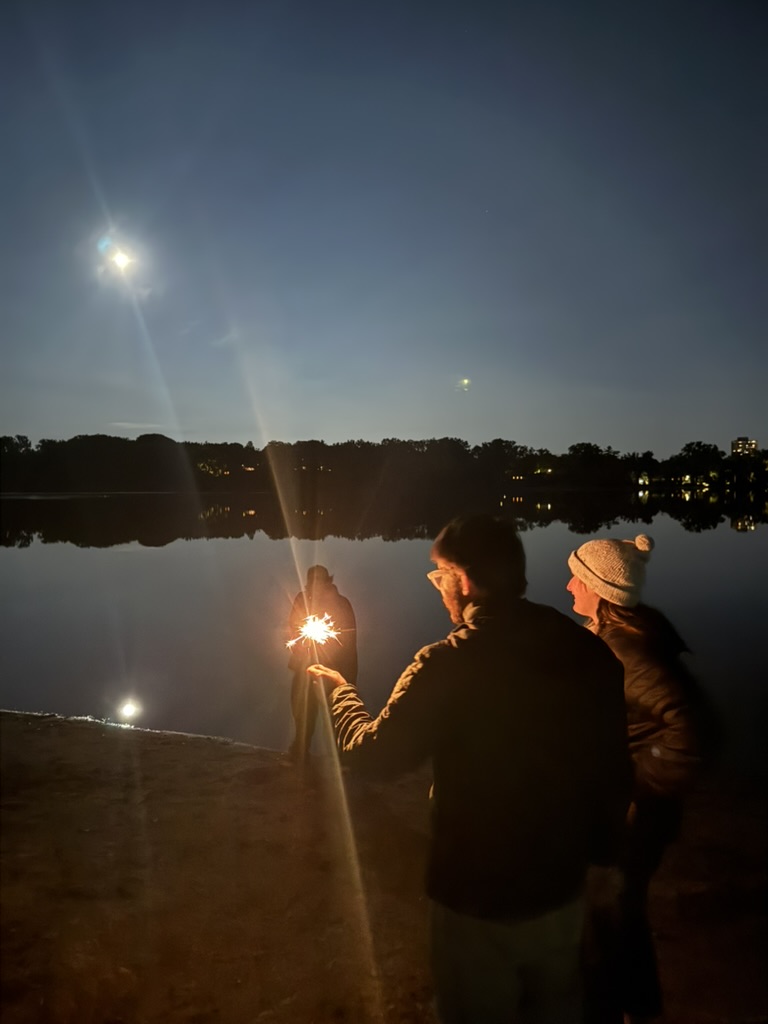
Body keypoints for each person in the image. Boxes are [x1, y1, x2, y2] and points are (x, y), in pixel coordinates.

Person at [308, 515, 631, 1024]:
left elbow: (374, 756)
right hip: (561, 884)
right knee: (558, 1006)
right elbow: (613, 765)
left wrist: (337, 690)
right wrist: (605, 860)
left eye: (439, 578)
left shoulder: (445, 663)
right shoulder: (587, 650)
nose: (439, 590)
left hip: (474, 894)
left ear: (462, 580)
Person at [566, 534, 707, 1024]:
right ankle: (641, 1009)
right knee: (621, 915)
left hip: (635, 815)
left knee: (604, 918)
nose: (568, 586)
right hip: (634, 812)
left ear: (600, 589)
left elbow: (689, 729)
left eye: (577, 578)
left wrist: (639, 782)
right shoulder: (617, 636)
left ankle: (613, 1009)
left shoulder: (626, 651)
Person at [286, 565, 357, 763]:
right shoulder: (302, 599)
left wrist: (347, 679)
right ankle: (299, 754)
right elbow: (292, 629)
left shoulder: (342, 604)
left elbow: (349, 643)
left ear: (328, 582)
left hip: (334, 673)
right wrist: (301, 646)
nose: (316, 586)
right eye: (312, 581)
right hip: (304, 671)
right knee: (302, 714)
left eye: (320, 581)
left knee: (338, 719)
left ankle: (345, 761)